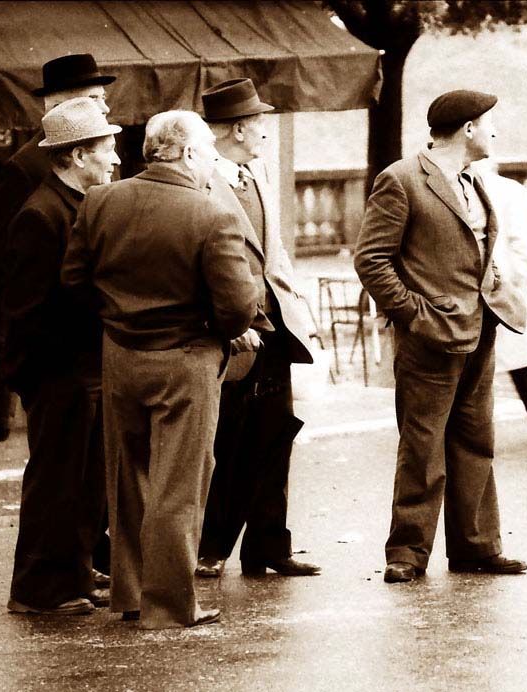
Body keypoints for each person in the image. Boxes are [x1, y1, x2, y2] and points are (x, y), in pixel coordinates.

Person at [61, 110, 257, 628]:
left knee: (128, 479)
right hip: (187, 357)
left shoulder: (100, 201)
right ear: (189, 154)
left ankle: (130, 595)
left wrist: (117, 317)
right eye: (209, 153)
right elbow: (237, 307)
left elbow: (74, 280)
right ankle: (169, 605)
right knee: (181, 482)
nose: (213, 163)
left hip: (120, 354)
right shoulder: (213, 215)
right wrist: (214, 329)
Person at [354, 90, 527, 584]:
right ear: (468, 128)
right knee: (422, 445)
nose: (495, 131)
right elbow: (371, 259)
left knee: (476, 440)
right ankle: (407, 552)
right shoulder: (402, 179)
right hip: (430, 336)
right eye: (489, 123)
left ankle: (476, 546)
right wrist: (414, 314)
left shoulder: (473, 180)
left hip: (479, 328)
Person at [0, 98, 120, 616]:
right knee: (56, 480)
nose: (114, 159)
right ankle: (34, 590)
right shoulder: (41, 214)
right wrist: (63, 372)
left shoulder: (75, 205)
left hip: (82, 370)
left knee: (85, 481)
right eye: (105, 149)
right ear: (75, 156)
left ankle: (73, 573)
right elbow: (27, 309)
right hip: (60, 374)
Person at [196, 78, 320, 579]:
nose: (264, 131)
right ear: (239, 129)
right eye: (258, 123)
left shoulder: (258, 170)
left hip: (275, 328)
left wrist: (296, 307)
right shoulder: (202, 179)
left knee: (277, 433)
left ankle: (270, 545)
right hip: (234, 329)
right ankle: (210, 546)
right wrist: (223, 324)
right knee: (227, 440)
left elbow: (276, 249)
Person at [0, 53, 115, 444]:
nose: (105, 105)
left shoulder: (98, 153)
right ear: (62, 104)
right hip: (61, 367)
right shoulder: (26, 168)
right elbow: (13, 271)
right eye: (95, 98)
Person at [472, 158, 527, 442]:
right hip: (476, 284)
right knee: (483, 358)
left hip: (503, 282)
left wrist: (516, 274)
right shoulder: (462, 187)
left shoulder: (509, 191)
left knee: (520, 357)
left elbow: (524, 239)